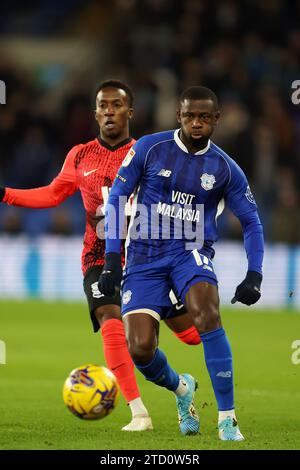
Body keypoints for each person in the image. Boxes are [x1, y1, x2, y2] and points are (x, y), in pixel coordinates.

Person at [0, 80, 201, 431]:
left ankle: (182, 386)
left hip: (149, 258)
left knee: (191, 335)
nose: (109, 111)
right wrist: (4, 193)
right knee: (110, 321)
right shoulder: (79, 155)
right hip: (98, 258)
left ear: (130, 112)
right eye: (103, 106)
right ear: (95, 113)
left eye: (117, 105)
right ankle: (139, 412)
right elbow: (51, 195)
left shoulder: (149, 152)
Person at [99, 86, 264, 440]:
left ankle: (227, 419)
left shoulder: (225, 168)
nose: (197, 123)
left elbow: (251, 221)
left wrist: (255, 274)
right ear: (179, 116)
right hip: (143, 256)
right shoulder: (149, 148)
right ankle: (182, 389)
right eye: (190, 116)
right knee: (141, 347)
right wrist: (113, 256)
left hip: (191, 250)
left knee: (207, 313)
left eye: (205, 117)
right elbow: (117, 196)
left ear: (216, 120)